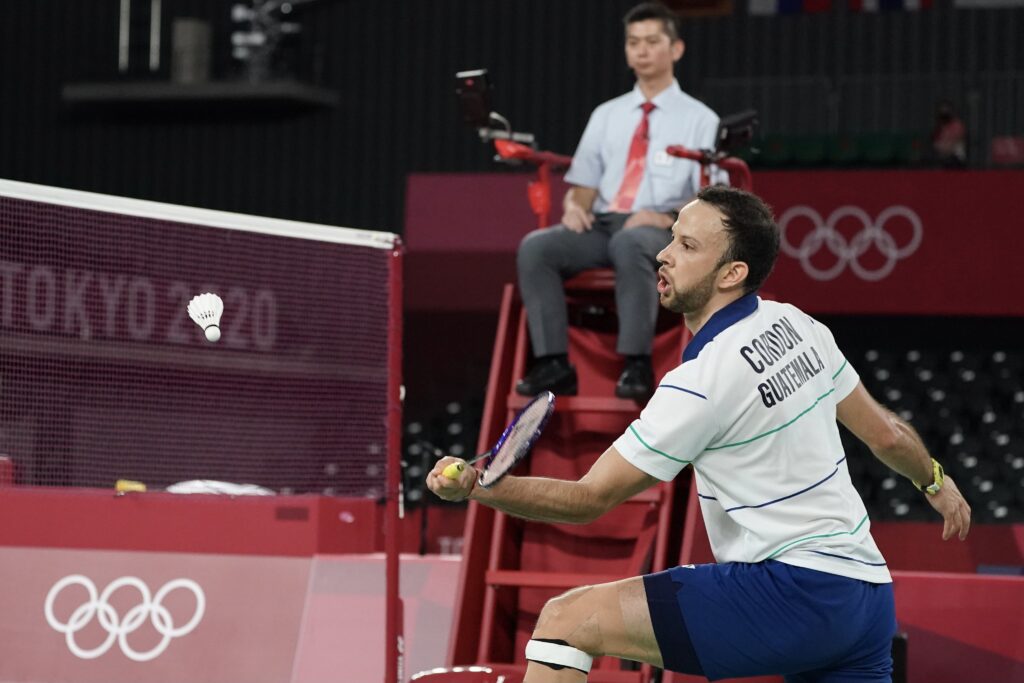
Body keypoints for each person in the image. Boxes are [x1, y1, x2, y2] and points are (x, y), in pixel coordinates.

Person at [428, 185, 972, 683]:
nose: (663, 255)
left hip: (790, 595)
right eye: (671, 239)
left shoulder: (700, 383)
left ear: (731, 272)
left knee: (566, 619)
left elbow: (588, 500)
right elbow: (889, 438)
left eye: (687, 246)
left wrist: (478, 487)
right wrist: (937, 484)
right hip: (866, 600)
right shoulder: (800, 326)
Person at [515, 1, 721, 401]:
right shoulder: (606, 114)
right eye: (633, 42)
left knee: (631, 242)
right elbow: (584, 184)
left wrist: (665, 217)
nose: (641, 50)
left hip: (663, 230)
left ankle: (636, 363)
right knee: (537, 247)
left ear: (675, 49)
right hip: (604, 224)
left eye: (652, 41)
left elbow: (713, 198)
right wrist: (574, 205)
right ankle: (554, 363)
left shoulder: (700, 119)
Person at [931, 100, 967, 168]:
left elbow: (953, 144)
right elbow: (935, 144)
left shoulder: (957, 125)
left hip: (956, 160)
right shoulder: (939, 128)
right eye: (942, 112)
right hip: (943, 159)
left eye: (946, 112)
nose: (944, 114)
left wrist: (944, 146)